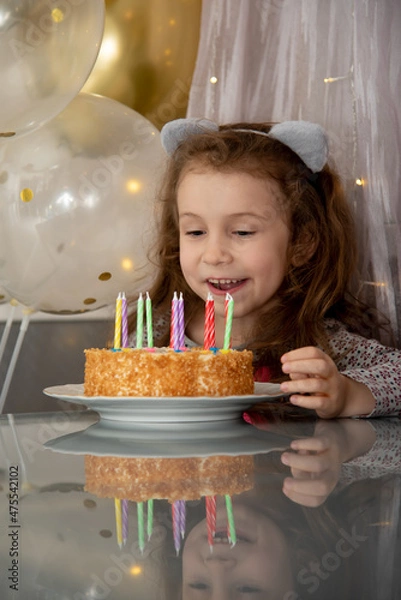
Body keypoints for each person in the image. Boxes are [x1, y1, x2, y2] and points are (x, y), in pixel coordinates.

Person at [128, 118, 401, 418]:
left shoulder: (317, 340)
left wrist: (348, 394)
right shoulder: (154, 334)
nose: (215, 255)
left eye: (243, 232)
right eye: (195, 232)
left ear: (301, 242)